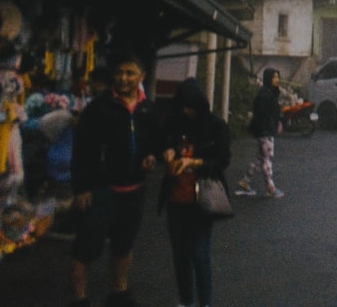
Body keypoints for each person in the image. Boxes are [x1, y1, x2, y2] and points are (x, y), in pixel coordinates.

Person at [69, 53, 160, 307]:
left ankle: (118, 293)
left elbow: (155, 141)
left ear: (141, 76)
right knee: (86, 246)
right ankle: (79, 299)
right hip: (101, 190)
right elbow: (82, 151)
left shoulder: (147, 109)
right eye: (120, 72)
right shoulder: (98, 108)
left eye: (130, 73)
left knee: (123, 243)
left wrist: (151, 156)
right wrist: (82, 188)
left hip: (133, 190)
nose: (123, 78)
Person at [159, 78, 231, 307]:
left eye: (191, 106)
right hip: (175, 199)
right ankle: (186, 302)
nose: (187, 111)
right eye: (183, 106)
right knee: (180, 256)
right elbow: (161, 143)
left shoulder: (215, 125)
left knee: (199, 256)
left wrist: (195, 162)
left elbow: (222, 159)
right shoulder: (172, 123)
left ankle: (205, 303)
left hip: (202, 200)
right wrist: (167, 153)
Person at [235, 68, 283, 198]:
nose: (277, 80)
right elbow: (262, 115)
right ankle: (271, 188)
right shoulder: (265, 95)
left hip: (266, 130)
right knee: (266, 159)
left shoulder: (269, 93)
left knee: (259, 158)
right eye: (274, 77)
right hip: (265, 131)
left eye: (277, 77)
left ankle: (244, 182)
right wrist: (266, 129)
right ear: (268, 79)